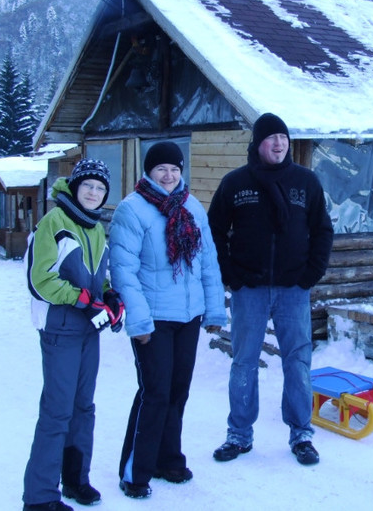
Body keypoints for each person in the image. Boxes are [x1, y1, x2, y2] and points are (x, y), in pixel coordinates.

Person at [208, 113, 334, 466]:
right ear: (257, 144)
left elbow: (323, 230)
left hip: (294, 288)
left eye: (283, 137)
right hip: (249, 288)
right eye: (271, 138)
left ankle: (301, 434)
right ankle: (239, 434)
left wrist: (312, 273)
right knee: (244, 361)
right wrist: (229, 273)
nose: (278, 144)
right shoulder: (236, 183)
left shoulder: (305, 182)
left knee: (298, 362)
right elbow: (214, 230)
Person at [110, 141, 227, 499]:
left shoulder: (191, 206)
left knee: (177, 391)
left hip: (188, 317)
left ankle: (168, 459)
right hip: (154, 319)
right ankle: (135, 471)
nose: (169, 175)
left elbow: (207, 263)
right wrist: (140, 322)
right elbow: (124, 272)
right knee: (155, 393)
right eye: (161, 169)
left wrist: (214, 309)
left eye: (175, 169)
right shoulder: (132, 210)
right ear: (149, 172)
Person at [23, 158, 124, 511]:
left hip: (87, 331)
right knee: (57, 411)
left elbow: (97, 277)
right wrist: (83, 301)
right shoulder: (54, 221)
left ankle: (75, 479)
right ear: (75, 187)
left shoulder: (95, 227)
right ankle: (39, 498)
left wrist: (109, 296)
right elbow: (41, 280)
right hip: (60, 329)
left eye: (100, 188)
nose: (94, 193)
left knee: (84, 407)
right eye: (88, 186)